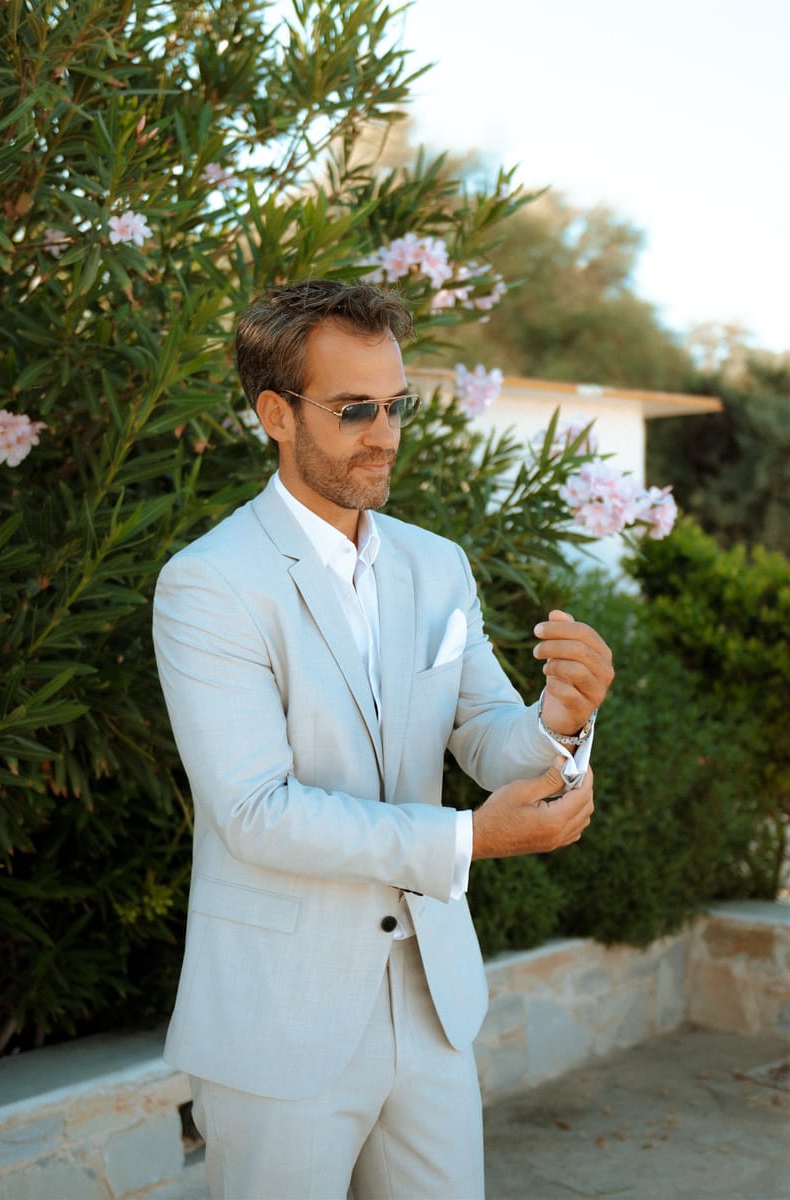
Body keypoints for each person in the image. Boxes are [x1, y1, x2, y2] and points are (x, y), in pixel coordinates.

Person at [152, 279, 613, 1200]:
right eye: (354, 409)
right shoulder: (209, 584)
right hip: (278, 1021)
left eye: (396, 405)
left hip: (432, 1006)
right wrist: (470, 840)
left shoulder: (436, 565)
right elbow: (257, 812)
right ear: (275, 415)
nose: (386, 434)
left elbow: (484, 735)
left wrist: (560, 718)